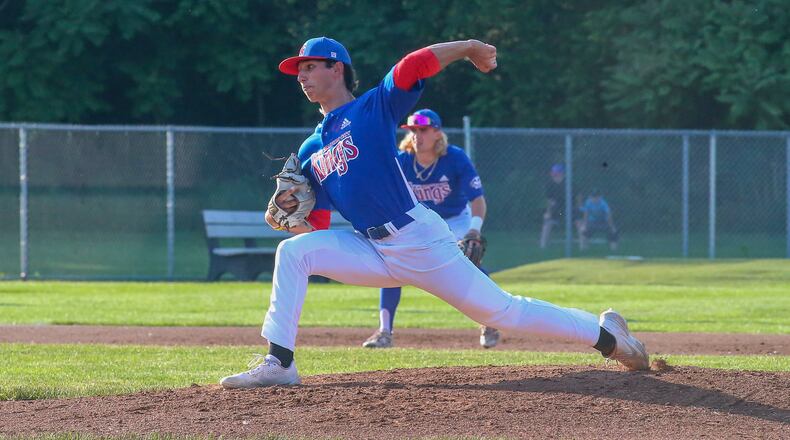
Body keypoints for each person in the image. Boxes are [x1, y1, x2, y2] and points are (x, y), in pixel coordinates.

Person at [219, 36, 649, 389]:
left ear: (337, 68)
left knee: (502, 313)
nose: (302, 76)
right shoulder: (312, 150)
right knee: (294, 252)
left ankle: (610, 338)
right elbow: (321, 222)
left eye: (310, 66)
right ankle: (280, 362)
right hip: (370, 246)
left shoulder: (370, 108)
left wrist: (470, 47)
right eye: (299, 71)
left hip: (419, 240)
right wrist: (290, 213)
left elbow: (410, 66)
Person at [360, 108, 500, 350]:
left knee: (469, 263)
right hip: (419, 222)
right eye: (413, 130)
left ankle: (490, 320)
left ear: (437, 133)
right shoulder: (402, 160)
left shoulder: (454, 158)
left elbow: (477, 200)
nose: (417, 135)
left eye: (423, 129)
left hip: (455, 220)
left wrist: (474, 230)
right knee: (393, 262)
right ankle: (384, 331)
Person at [540, 164, 568, 248]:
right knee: (547, 221)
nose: (555, 175)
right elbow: (549, 201)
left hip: (568, 209)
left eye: (557, 173)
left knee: (579, 221)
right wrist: (548, 212)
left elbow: (578, 197)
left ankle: (583, 248)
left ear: (562, 174)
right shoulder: (550, 185)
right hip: (557, 211)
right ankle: (543, 245)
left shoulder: (568, 183)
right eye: (554, 174)